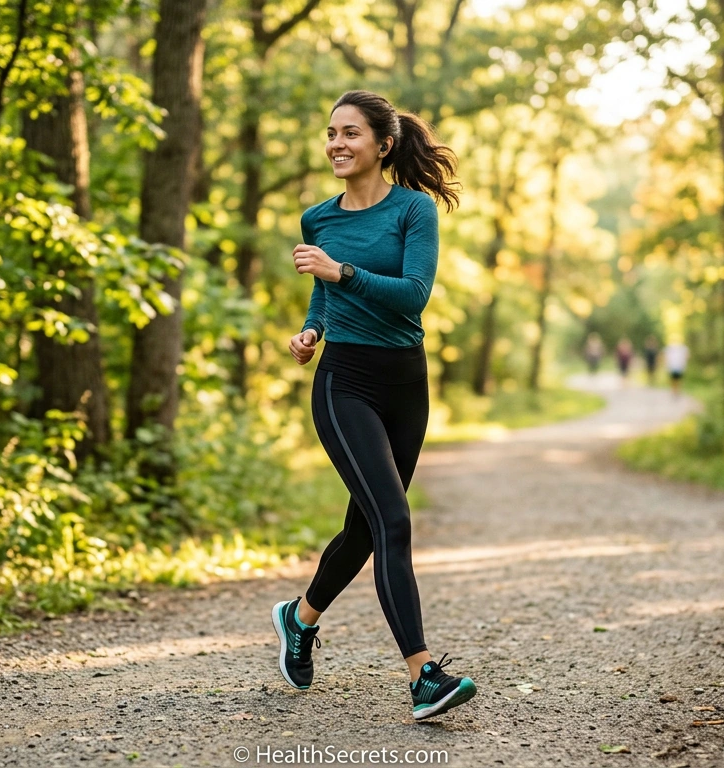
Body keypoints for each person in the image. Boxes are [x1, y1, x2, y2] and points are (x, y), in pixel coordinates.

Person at [276, 90, 477, 721]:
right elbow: (323, 295)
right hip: (346, 381)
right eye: (330, 132)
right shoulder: (319, 219)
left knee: (366, 527)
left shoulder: (414, 211)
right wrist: (312, 331)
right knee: (393, 519)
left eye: (350, 133)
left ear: (383, 145)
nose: (336, 143)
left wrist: (341, 275)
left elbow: (413, 296)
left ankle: (299, 619)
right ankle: (424, 677)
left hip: (405, 381)